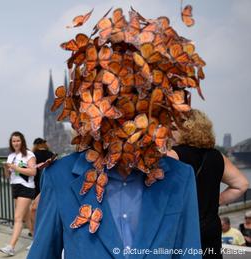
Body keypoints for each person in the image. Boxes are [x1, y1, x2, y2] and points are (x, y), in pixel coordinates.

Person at [28, 7, 204, 259]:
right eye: (114, 100)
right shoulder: (59, 178)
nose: (126, 114)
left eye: (140, 99)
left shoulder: (180, 179)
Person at [168, 109, 249, 258]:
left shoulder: (173, 156)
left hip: (182, 228)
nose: (169, 131)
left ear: (184, 129)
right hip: (211, 227)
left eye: (173, 127)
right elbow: (242, 184)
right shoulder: (217, 156)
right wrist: (215, 201)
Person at [0, 131, 36, 256]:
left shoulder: (29, 154)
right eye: (14, 141)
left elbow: (33, 172)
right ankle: (36, 240)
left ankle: (11, 246)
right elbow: (8, 176)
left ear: (22, 141)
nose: (16, 143)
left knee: (18, 218)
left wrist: (15, 168)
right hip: (15, 186)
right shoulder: (11, 156)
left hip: (26, 187)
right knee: (25, 217)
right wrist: (6, 169)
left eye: (18, 140)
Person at [29, 138, 55, 246]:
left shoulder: (33, 155)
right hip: (49, 186)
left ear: (35, 145)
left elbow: (25, 166)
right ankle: (47, 234)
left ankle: (37, 236)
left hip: (36, 186)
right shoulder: (51, 154)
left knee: (34, 209)